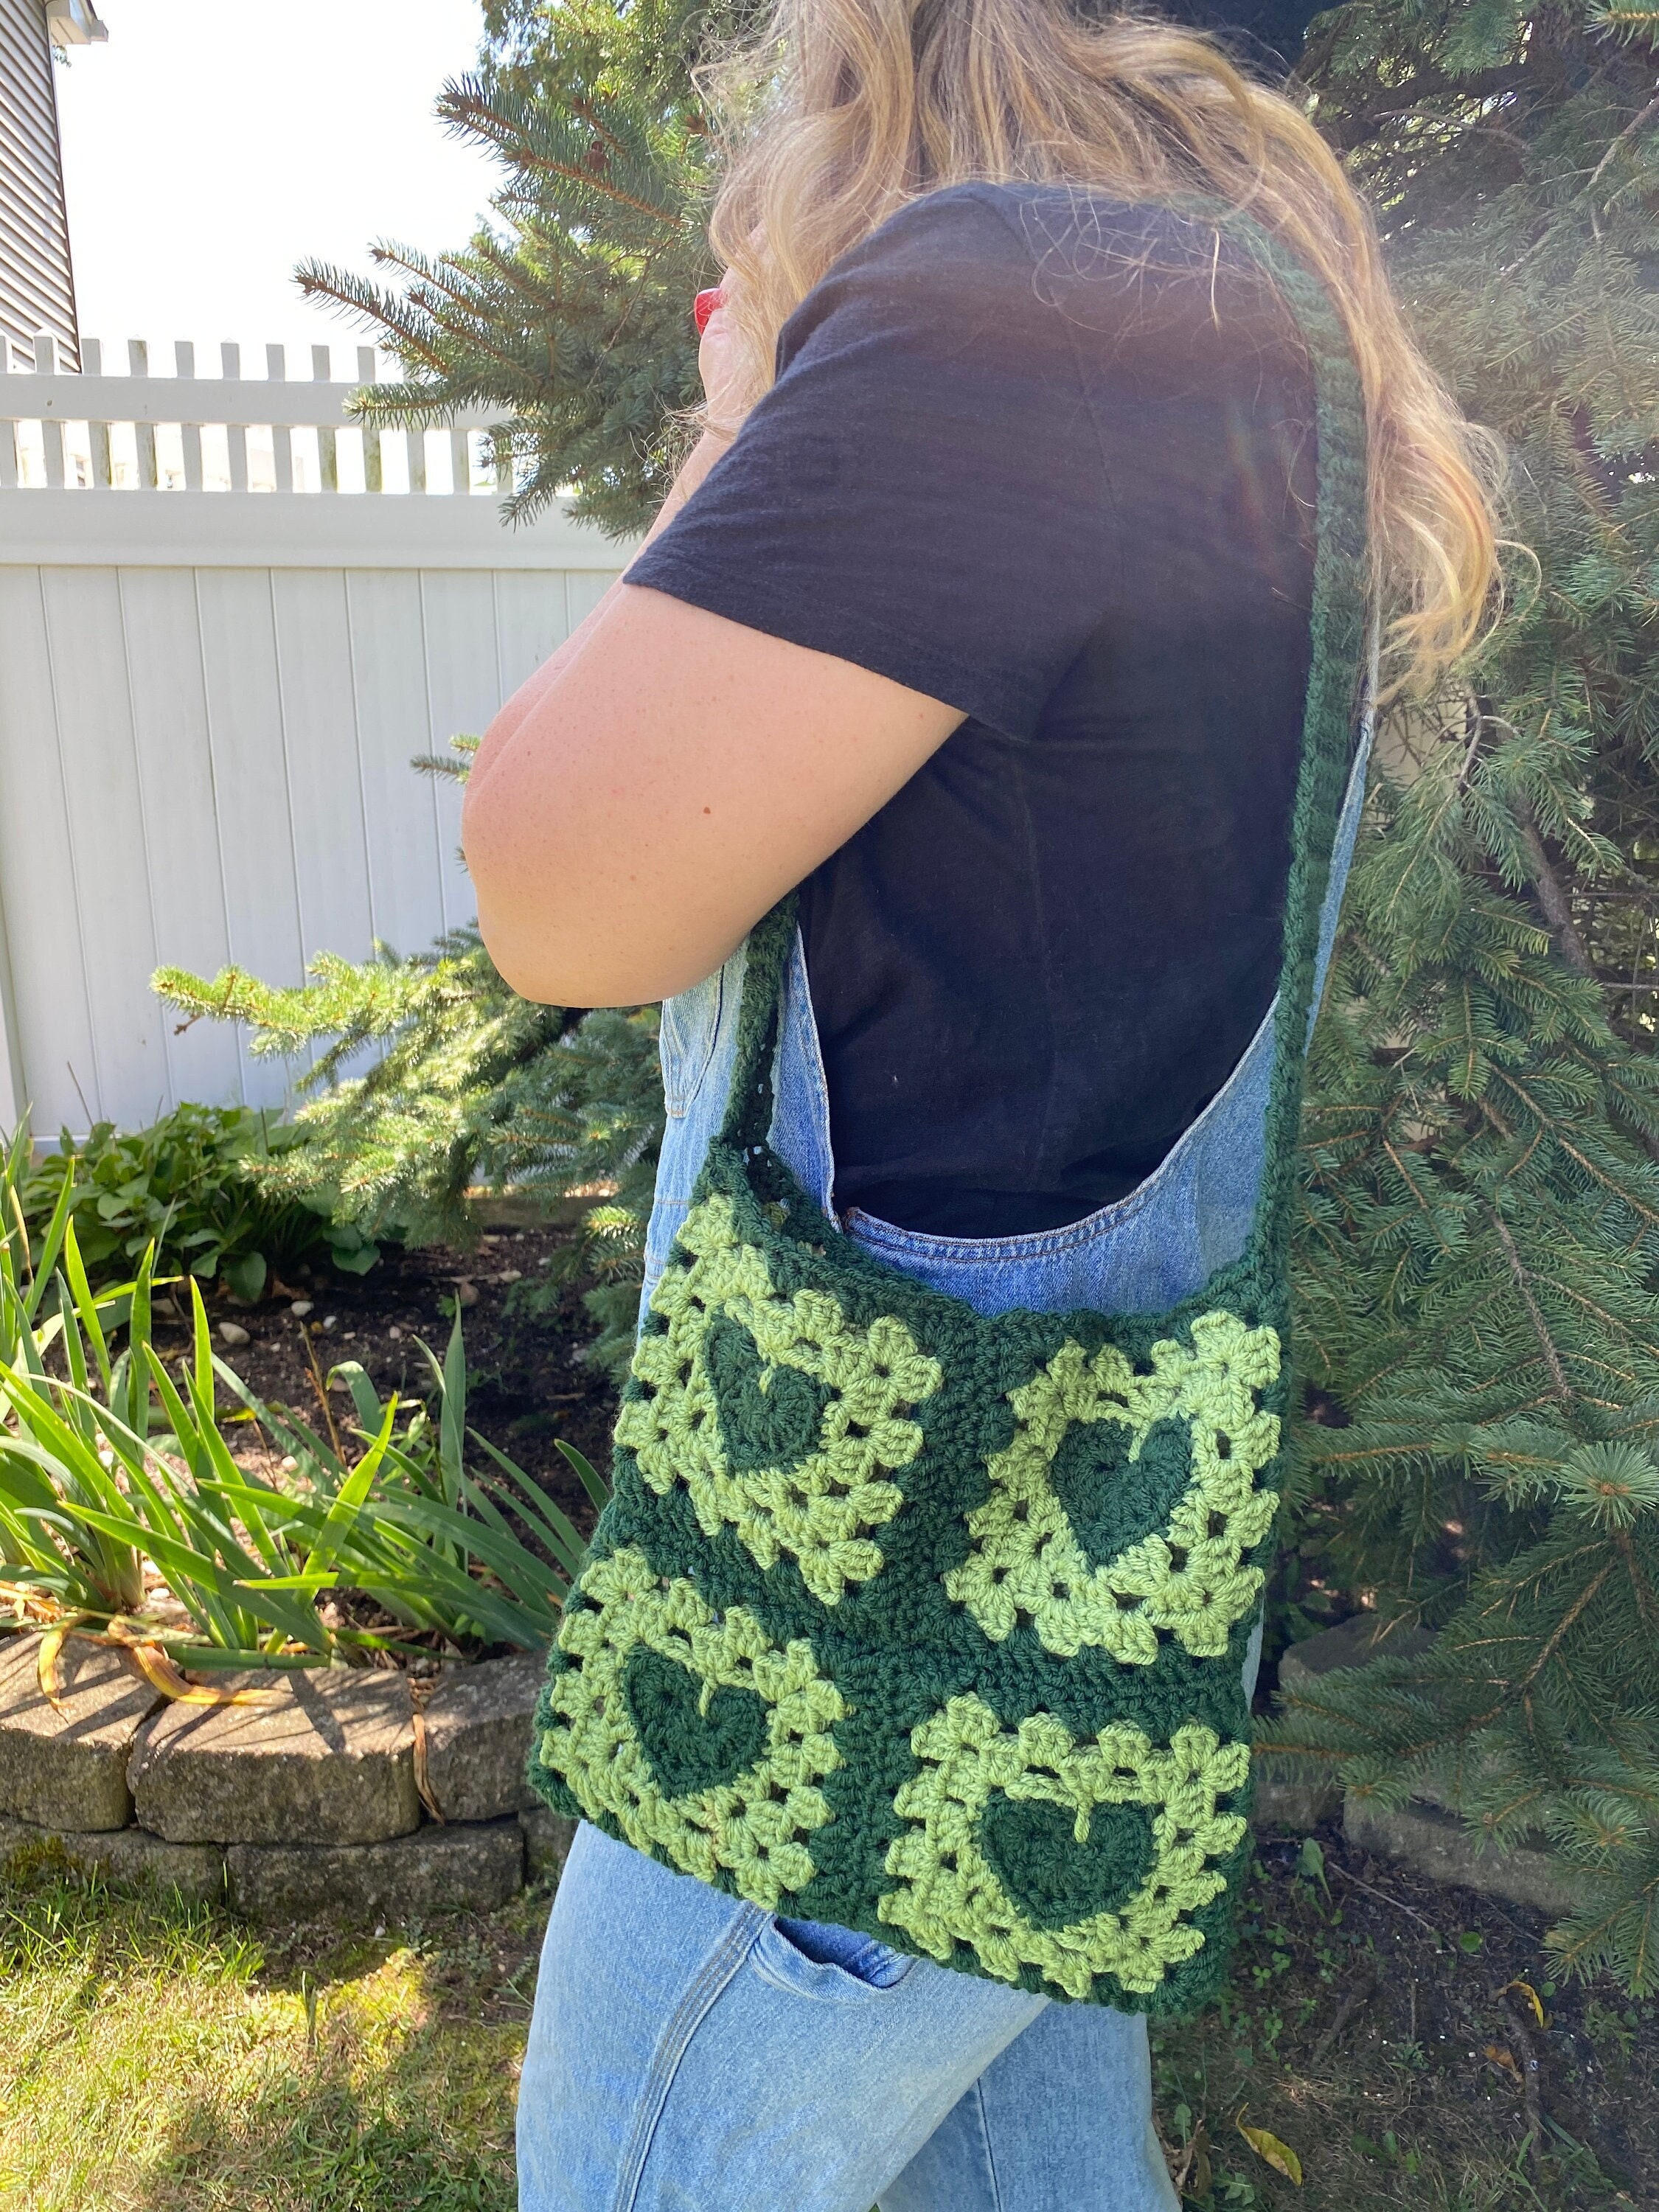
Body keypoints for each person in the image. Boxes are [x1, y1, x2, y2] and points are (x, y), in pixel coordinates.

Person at [462, 2, 1500, 2205]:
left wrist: (729, 433)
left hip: (848, 1622)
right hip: (1087, 1611)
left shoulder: (1008, 311)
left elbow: (557, 892)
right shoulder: (1232, 327)